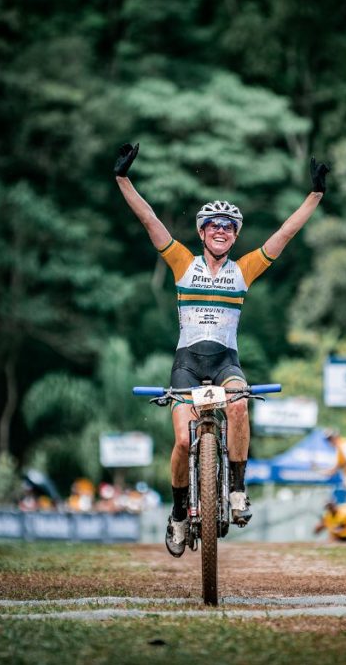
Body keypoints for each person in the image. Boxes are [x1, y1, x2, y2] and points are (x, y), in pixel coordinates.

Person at [115, 141, 330, 557]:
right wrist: (123, 179)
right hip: (187, 366)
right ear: (200, 232)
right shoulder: (182, 262)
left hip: (226, 361)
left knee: (239, 406)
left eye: (228, 226)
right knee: (181, 442)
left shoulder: (243, 269)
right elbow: (149, 219)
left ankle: (236, 491)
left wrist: (315, 194)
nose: (220, 230)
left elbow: (285, 233)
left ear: (235, 235)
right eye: (212, 224)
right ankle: (179, 514)